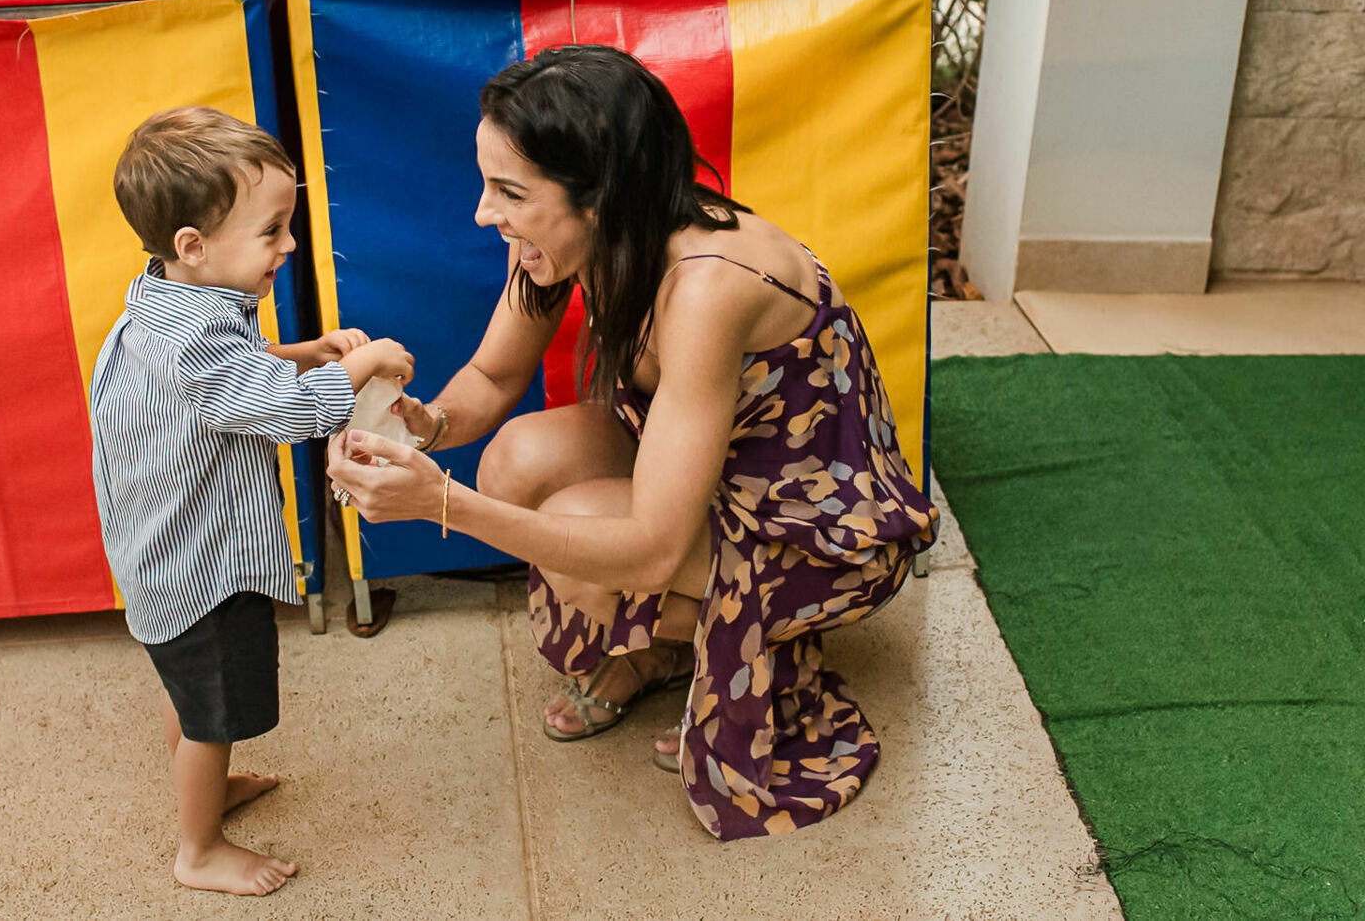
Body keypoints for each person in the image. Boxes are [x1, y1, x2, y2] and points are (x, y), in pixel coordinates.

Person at [325, 45, 938, 840]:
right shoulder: (582, 240)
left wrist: (440, 503)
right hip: (722, 471)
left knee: (585, 535)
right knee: (514, 461)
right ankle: (673, 650)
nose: (484, 213)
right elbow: (489, 375)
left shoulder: (708, 285)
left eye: (510, 192)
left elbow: (649, 549)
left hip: (822, 529)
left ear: (601, 196)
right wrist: (420, 424)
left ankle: (763, 651)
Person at [91, 107, 414, 893]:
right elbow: (293, 413)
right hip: (202, 570)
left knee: (190, 690)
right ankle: (198, 849)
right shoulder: (197, 336)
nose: (290, 246)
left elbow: (241, 370)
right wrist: (365, 362)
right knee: (214, 713)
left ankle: (204, 782)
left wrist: (304, 352)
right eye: (272, 232)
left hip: (160, 556)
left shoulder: (167, 300)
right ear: (194, 247)